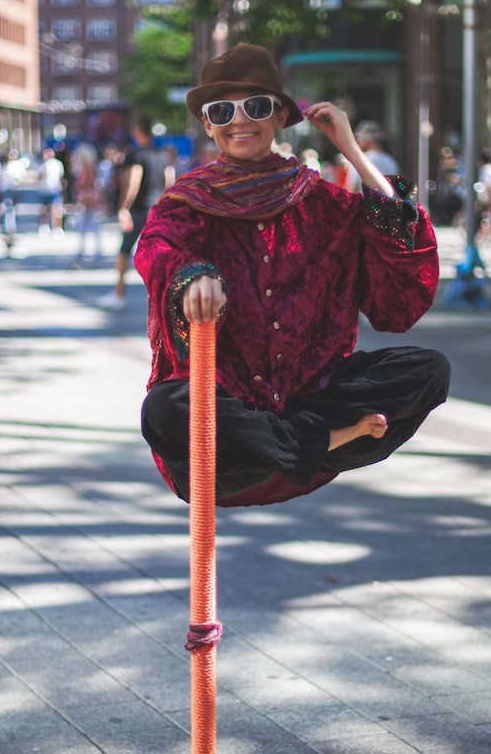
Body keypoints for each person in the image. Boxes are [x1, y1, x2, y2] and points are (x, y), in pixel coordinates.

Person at [135, 42, 447, 508]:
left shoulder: (324, 203)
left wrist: (353, 153)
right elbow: (157, 248)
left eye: (256, 107)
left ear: (280, 116)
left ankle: (294, 444)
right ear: (208, 124)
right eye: (222, 111)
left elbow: (401, 283)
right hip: (233, 414)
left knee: (428, 371)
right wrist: (191, 276)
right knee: (164, 409)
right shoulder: (187, 203)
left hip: (310, 398)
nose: (239, 121)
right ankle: (312, 443)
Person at [98, 117, 175, 310]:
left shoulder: (136, 155)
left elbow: (133, 183)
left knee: (124, 252)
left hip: (139, 210)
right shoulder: (162, 155)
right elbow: (169, 183)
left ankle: (119, 293)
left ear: (138, 131)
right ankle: (163, 297)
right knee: (159, 254)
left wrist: (123, 208)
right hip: (157, 210)